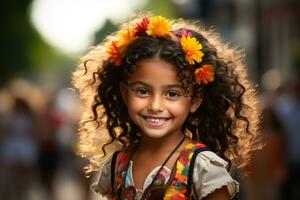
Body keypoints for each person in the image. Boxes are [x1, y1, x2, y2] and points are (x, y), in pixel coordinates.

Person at [72, 14, 260, 199]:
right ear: (124, 93)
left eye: (172, 94)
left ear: (195, 100)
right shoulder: (115, 167)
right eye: (142, 91)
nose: (155, 105)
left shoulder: (203, 170)